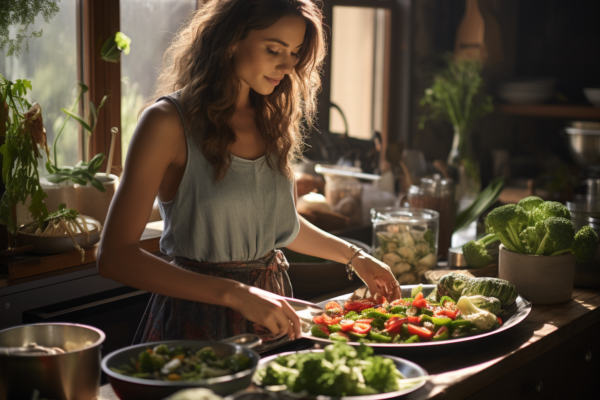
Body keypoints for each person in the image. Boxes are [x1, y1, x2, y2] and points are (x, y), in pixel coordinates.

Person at [97, 0, 400, 349]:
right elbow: (114, 256)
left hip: (273, 322)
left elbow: (280, 225)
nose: (288, 65)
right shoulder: (166, 122)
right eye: (274, 49)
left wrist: (355, 256)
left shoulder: (271, 120)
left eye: (296, 53)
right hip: (197, 325)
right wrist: (236, 293)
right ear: (231, 40)